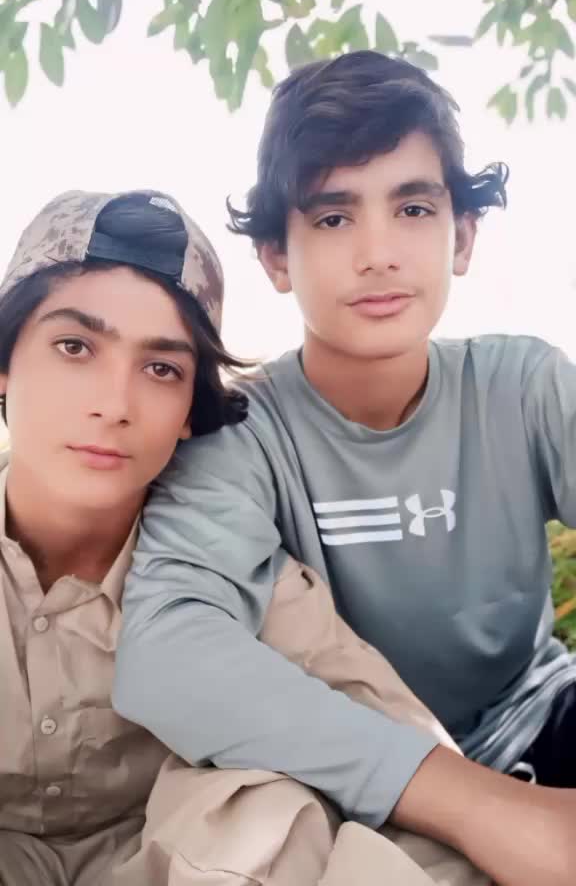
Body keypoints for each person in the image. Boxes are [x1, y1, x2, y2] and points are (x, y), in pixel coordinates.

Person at [115, 51, 576, 886]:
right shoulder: (240, 434)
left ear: (461, 236)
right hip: (345, 767)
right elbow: (167, 652)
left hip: (540, 716)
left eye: (413, 208)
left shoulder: (525, 387)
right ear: (275, 257)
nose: (378, 253)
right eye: (332, 217)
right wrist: (482, 807)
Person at [0, 189, 480, 886]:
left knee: (268, 803)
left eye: (161, 369)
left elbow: (408, 761)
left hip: (181, 864)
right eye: (74, 347)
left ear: (189, 413)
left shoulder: (229, 572)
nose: (114, 404)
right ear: (6, 365)